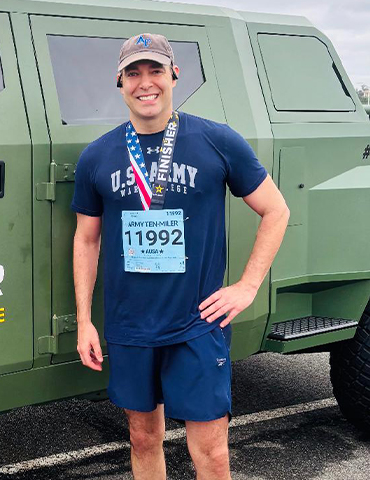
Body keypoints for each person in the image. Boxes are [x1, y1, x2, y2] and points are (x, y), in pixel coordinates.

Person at [72, 33, 289, 480]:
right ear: (119, 81)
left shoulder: (216, 140)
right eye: (134, 73)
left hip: (197, 322)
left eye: (155, 70)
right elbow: (86, 240)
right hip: (131, 324)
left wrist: (247, 286)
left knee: (209, 451)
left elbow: (276, 210)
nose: (145, 82)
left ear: (174, 75)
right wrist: (84, 321)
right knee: (143, 438)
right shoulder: (98, 156)